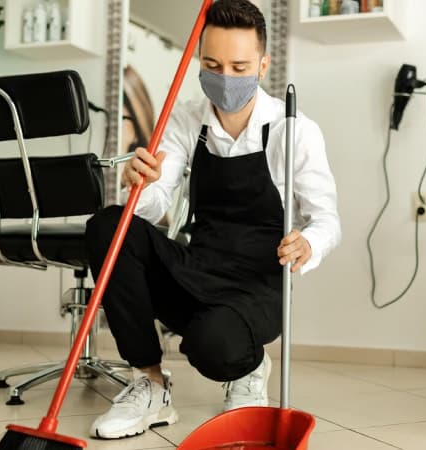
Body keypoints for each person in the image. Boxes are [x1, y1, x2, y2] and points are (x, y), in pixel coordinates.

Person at [84, 0, 341, 440]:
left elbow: (327, 220)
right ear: (199, 63)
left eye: (239, 67)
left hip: (258, 285)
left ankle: (250, 366)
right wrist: (140, 186)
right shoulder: (187, 120)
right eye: (212, 66)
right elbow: (154, 202)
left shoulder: (294, 129)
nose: (225, 78)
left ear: (262, 65)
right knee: (109, 226)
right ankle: (150, 384)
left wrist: (308, 243)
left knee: (213, 347)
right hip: (197, 269)